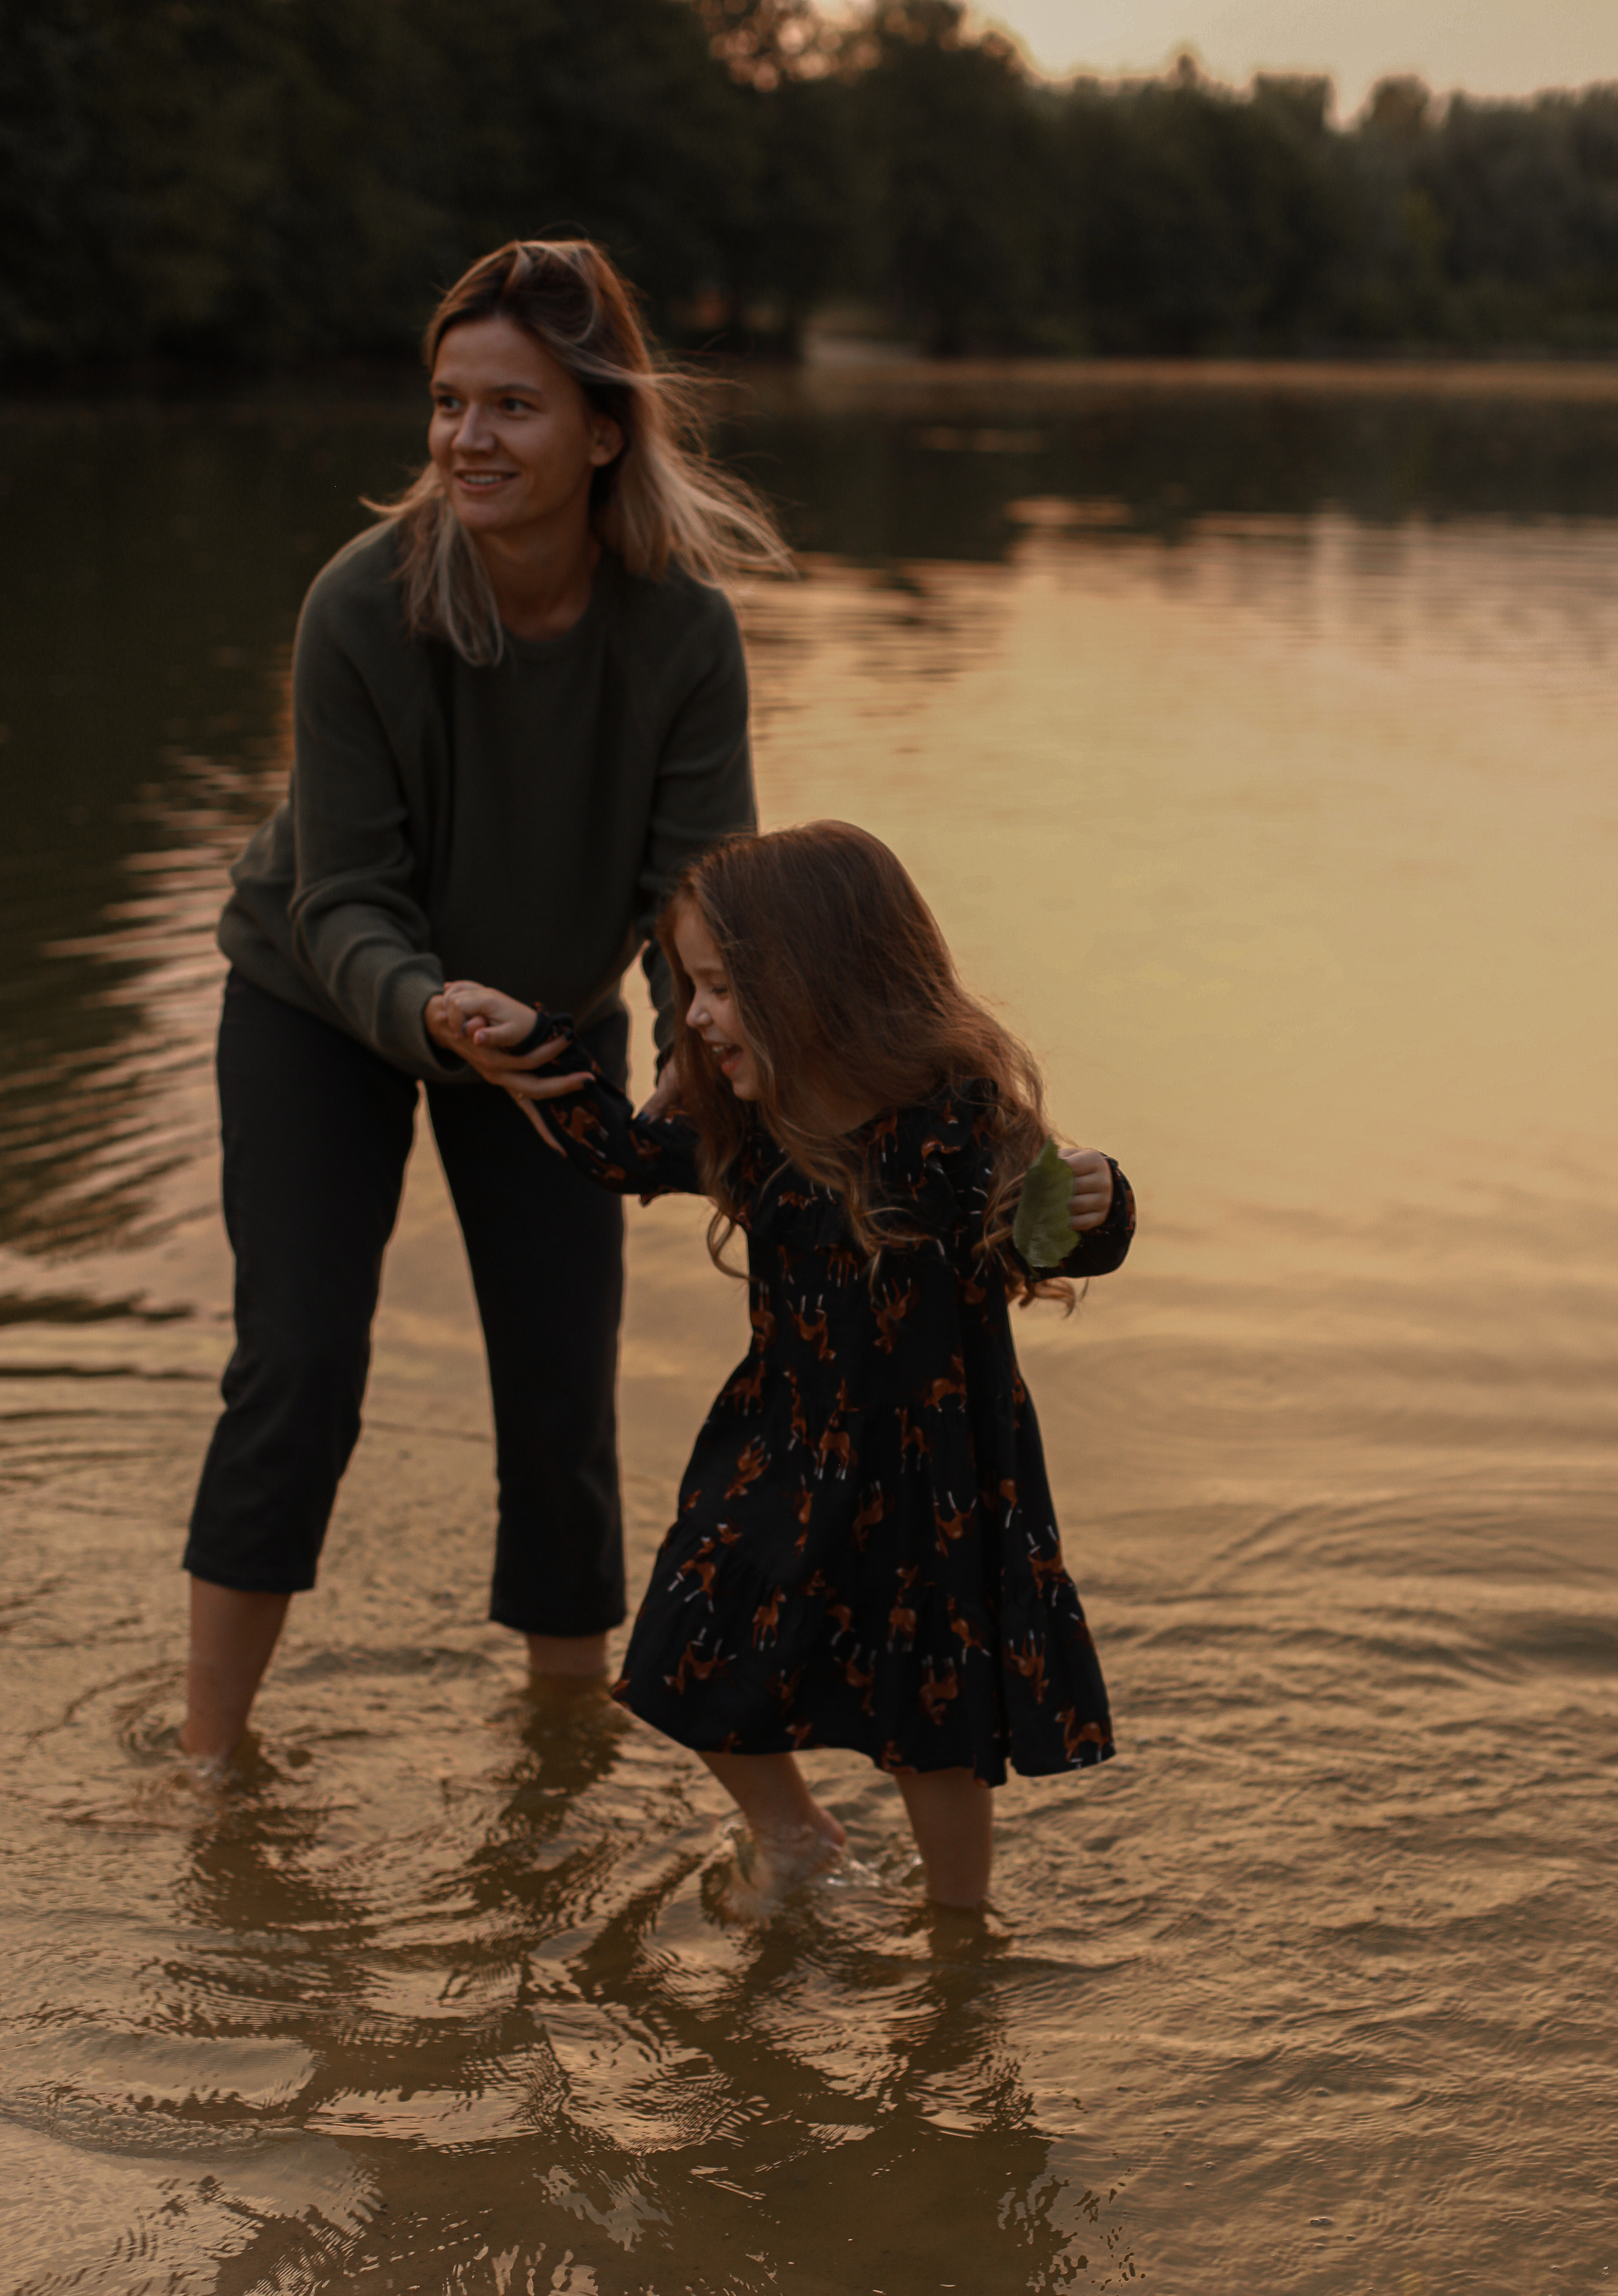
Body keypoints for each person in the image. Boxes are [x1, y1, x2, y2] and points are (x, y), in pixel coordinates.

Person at [179, 238, 787, 1763]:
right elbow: (343, 898)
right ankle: (208, 1760)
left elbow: (691, 901)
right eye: (448, 403)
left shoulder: (684, 636)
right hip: (322, 1001)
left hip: (553, 1019)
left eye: (508, 407)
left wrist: (687, 1074)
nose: (464, 439)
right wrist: (432, 1010)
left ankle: (560, 1748)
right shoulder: (358, 607)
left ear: (600, 429)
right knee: (300, 1362)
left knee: (561, 1386)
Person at [431, 821, 1136, 1909]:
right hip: (784, 1447)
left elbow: (1045, 1242)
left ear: (815, 983)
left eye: (715, 988)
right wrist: (543, 1044)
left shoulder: (954, 1130)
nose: (696, 1015)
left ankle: (959, 1930)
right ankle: (795, 1833)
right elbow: (617, 1151)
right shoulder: (758, 1134)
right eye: (691, 987)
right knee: (685, 1632)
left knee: (932, 1719)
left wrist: (1095, 1196)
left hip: (935, 1478)